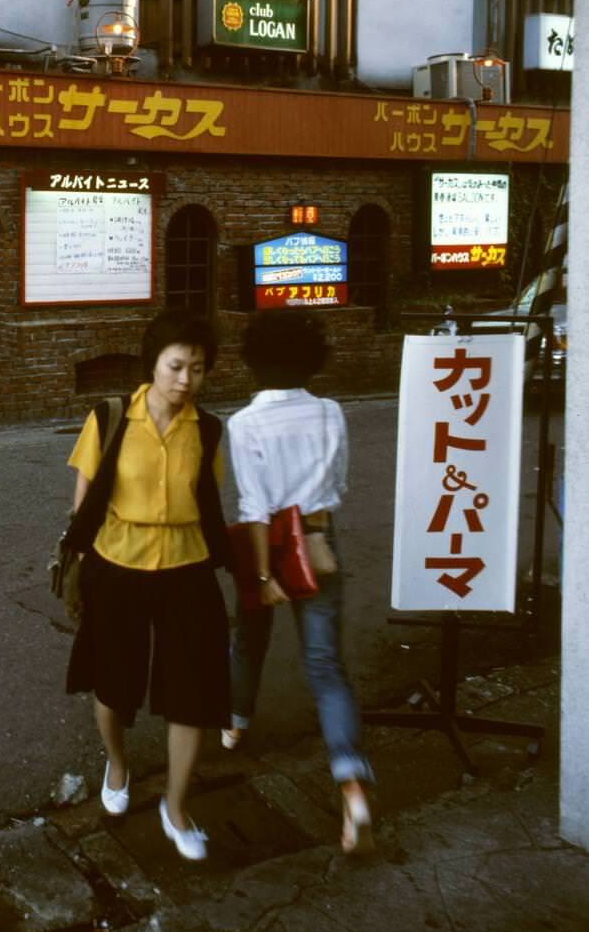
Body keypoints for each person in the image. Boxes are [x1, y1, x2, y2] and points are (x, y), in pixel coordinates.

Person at [64, 310, 232, 862]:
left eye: (198, 369)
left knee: (193, 692)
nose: (186, 380)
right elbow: (84, 499)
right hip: (119, 564)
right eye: (176, 366)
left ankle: (176, 806)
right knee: (112, 685)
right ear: (153, 365)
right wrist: (82, 566)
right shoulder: (111, 416)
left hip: (188, 568)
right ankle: (118, 762)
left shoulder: (208, 430)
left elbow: (210, 501)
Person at [221, 308, 375, 856]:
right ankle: (352, 783)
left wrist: (264, 575)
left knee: (249, 637)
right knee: (326, 666)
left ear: (253, 361)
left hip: (266, 545)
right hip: (317, 542)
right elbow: (338, 484)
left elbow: (254, 504)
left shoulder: (243, 423)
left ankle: (236, 725)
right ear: (312, 358)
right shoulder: (332, 411)